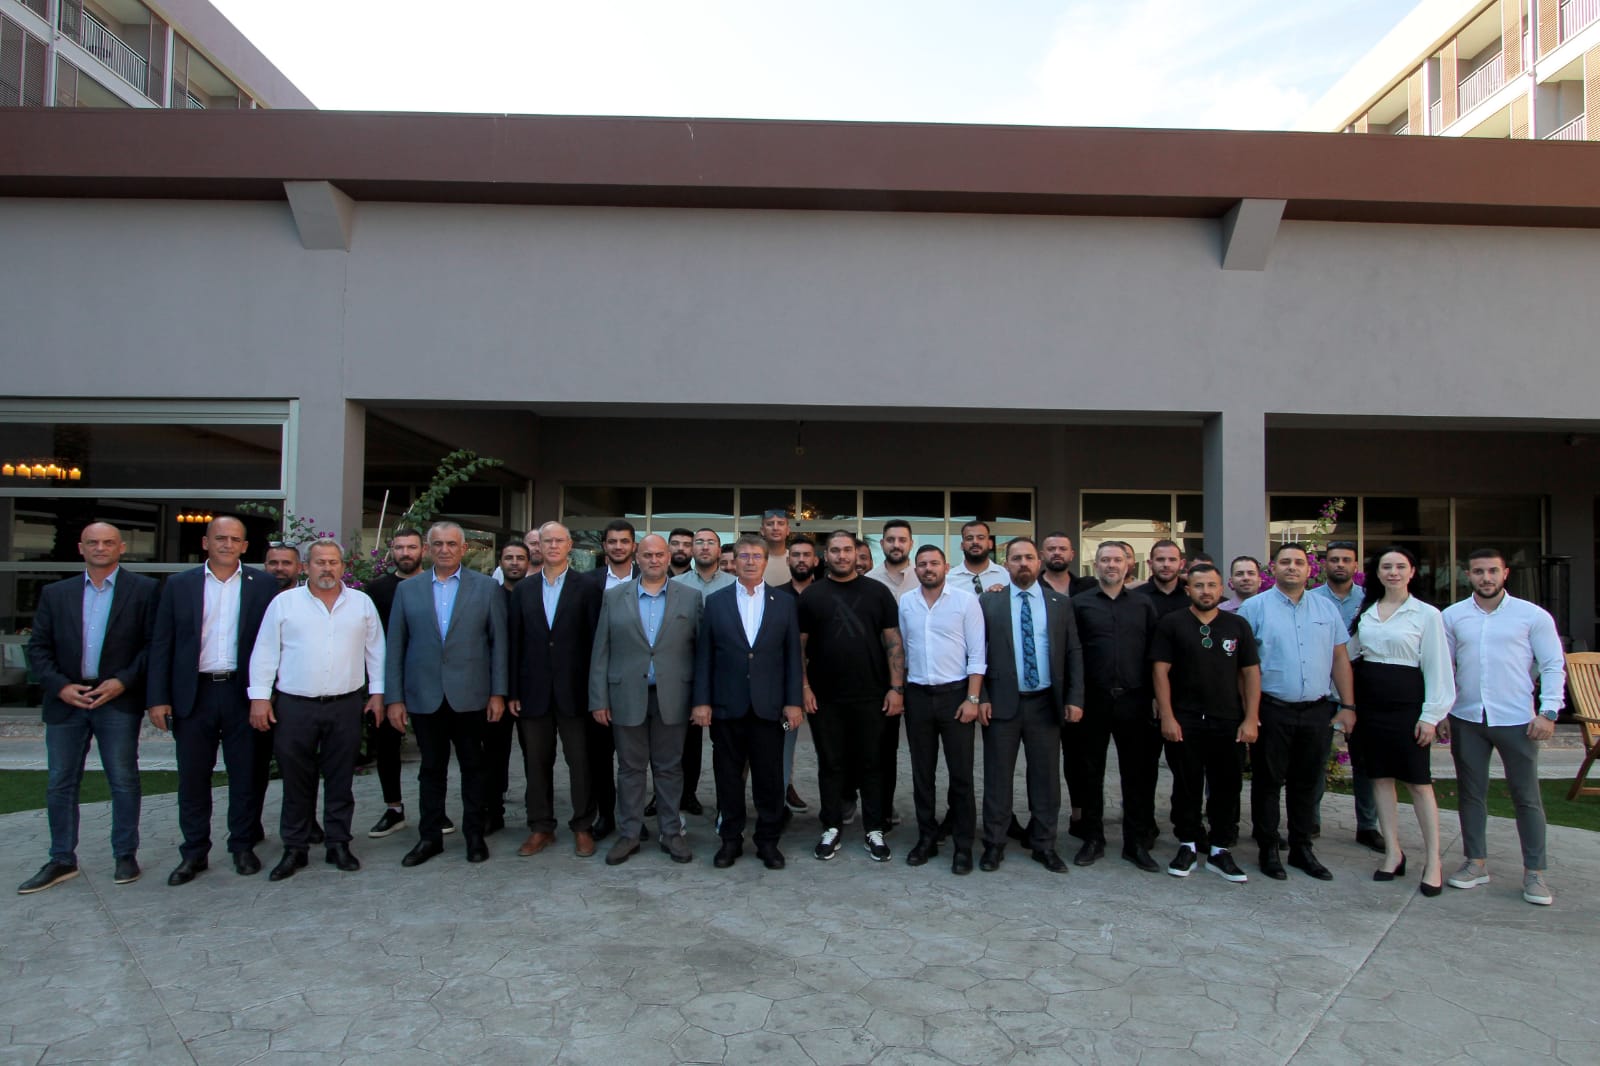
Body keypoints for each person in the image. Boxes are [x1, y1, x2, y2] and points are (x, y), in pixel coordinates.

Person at [19, 522, 158, 894]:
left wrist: (123, 681)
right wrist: (61, 687)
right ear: (81, 548)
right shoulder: (56, 593)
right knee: (60, 782)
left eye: (108, 542)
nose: (100, 548)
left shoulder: (144, 590)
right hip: (68, 700)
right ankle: (61, 858)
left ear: (121, 547)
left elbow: (152, 646)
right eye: (93, 542)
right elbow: (38, 648)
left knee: (123, 779)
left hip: (117, 698)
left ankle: (125, 854)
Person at [147, 515, 279, 885]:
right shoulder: (179, 585)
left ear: (245, 546)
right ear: (206, 542)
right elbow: (162, 643)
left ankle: (242, 845)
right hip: (194, 694)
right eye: (220, 538)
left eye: (234, 539)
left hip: (243, 693)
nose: (227, 544)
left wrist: (267, 695)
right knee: (193, 777)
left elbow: (274, 643)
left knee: (246, 774)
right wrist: (158, 698)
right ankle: (194, 852)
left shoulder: (264, 586)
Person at [248, 540, 386, 881]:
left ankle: (338, 843)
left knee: (341, 779)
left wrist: (378, 693)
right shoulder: (284, 603)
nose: (327, 568)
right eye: (320, 562)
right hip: (295, 706)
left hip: (345, 704)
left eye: (333, 562)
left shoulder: (361, 603)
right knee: (297, 780)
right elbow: (265, 652)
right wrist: (260, 697)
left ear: (343, 567)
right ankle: (295, 847)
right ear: (305, 567)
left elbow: (376, 651)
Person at [1440, 548, 1565, 906]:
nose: (1486, 578)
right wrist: (1442, 711)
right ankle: (1475, 863)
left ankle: (1535, 873)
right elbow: (1444, 667)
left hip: (1517, 720)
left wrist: (1549, 712)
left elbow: (1552, 664)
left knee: (1526, 797)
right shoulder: (1453, 616)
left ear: (1505, 573)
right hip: (1467, 719)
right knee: (1470, 793)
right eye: (1479, 571)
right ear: (1468, 574)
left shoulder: (1532, 616)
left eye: (1493, 571)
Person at [384, 521, 508, 867]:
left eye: (451, 544)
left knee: (474, 768)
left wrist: (498, 693)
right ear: (427, 549)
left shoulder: (486, 588)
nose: (445, 550)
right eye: (437, 544)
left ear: (463, 549)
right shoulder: (408, 590)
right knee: (431, 769)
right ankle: (430, 837)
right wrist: (395, 698)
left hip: (470, 694)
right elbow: (395, 646)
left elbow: (498, 645)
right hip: (425, 695)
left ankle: (474, 835)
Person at [1236, 543, 1355, 881]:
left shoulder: (1326, 608)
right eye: (1285, 562)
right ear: (1272, 568)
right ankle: (1268, 848)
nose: (1292, 567)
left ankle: (1302, 848)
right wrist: (1249, 713)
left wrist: (1348, 705)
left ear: (1309, 569)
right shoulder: (1254, 608)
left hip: (1316, 710)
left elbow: (1340, 658)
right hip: (1271, 709)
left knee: (1307, 782)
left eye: (1298, 562)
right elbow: (1242, 667)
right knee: (1267, 782)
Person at [1346, 546, 1454, 897]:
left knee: (1419, 783)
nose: (1392, 572)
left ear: (1412, 572)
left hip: (1408, 706)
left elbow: (1438, 667)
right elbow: (1349, 653)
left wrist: (1431, 716)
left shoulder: (1426, 614)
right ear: (1377, 573)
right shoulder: (1367, 612)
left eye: (1399, 566)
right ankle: (1393, 852)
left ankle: (1433, 861)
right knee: (1379, 779)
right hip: (1370, 706)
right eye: (1386, 566)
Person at [589, 535, 702, 864]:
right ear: (636, 558)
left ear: (668, 557)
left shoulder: (690, 597)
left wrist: (700, 699)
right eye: (647, 555)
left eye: (659, 554)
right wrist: (598, 699)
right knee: (630, 769)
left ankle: (671, 833)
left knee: (669, 768)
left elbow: (701, 653)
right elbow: (601, 651)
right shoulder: (614, 597)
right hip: (625, 695)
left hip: (674, 696)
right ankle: (629, 834)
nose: (654, 560)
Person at [693, 534, 803, 870]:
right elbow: (705, 656)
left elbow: (792, 657)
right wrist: (702, 702)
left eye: (757, 556)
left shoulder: (784, 603)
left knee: (769, 779)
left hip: (769, 707)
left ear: (766, 561)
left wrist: (793, 701)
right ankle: (730, 839)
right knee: (728, 778)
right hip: (727, 706)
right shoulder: (717, 602)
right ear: (733, 562)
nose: (750, 562)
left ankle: (768, 841)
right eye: (744, 556)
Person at [977, 537, 1083, 874]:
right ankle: (994, 844)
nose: (1023, 563)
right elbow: (977, 652)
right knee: (997, 778)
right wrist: (982, 697)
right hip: (1002, 704)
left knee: (1046, 779)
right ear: (1005, 564)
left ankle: (1044, 844)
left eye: (1028, 557)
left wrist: (1075, 698)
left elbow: (1073, 652)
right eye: (1015, 558)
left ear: (1039, 562)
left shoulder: (1060, 604)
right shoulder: (988, 602)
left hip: (1045, 704)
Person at [1150, 562, 1259, 883]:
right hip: (1185, 720)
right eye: (1199, 586)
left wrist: (1251, 718)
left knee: (1227, 786)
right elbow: (1160, 672)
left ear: (1221, 589)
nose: (1206, 591)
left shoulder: (1237, 625)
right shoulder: (1172, 623)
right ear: (1188, 590)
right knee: (1187, 785)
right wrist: (1168, 716)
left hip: (1228, 720)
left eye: (1211, 585)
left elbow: (1250, 673)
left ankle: (1220, 849)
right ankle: (1187, 844)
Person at [800, 531, 905, 863]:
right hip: (825, 698)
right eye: (835, 550)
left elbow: (894, 642)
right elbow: (799, 648)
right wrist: (805, 687)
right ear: (825, 556)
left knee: (873, 763)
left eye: (847, 550)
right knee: (831, 764)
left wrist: (896, 688)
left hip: (872, 695)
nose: (842, 556)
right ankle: (831, 826)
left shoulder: (878, 593)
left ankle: (874, 829)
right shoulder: (811, 595)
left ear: (856, 554)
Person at [507, 521, 601, 857]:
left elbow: (596, 643)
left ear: (569, 545)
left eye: (559, 540)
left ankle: (583, 826)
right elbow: (514, 642)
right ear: (537, 546)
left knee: (580, 763)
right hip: (533, 692)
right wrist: (513, 691)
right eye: (546, 541)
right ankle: (541, 827)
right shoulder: (524, 589)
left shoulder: (587, 587)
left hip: (575, 692)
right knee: (536, 763)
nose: (552, 546)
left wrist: (596, 693)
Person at [1067, 541, 1162, 870]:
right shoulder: (1079, 604)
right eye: (1105, 560)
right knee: (1089, 772)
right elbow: (1072, 654)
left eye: (1117, 560)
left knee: (1136, 774)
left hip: (1135, 700)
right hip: (1093, 700)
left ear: (1128, 565)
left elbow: (1153, 654)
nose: (1111, 565)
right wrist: (1074, 697)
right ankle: (1093, 838)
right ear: (1096, 565)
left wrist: (1155, 697)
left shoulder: (1143, 604)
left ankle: (1135, 842)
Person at [897, 545, 984, 875]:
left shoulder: (965, 601)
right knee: (922, 774)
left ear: (946, 567)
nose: (928, 568)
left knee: (961, 775)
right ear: (915, 569)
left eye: (934, 563)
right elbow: (903, 650)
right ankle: (927, 838)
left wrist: (972, 698)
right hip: (918, 695)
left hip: (955, 696)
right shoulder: (907, 602)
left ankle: (963, 845)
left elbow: (977, 654)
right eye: (922, 564)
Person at [360, 528, 439, 840]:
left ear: (424, 550)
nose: (406, 553)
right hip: (387, 679)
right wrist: (376, 688)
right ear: (391, 551)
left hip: (428, 680)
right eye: (399, 547)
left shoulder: (436, 585)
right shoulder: (376, 589)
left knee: (432, 749)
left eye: (412, 547)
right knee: (387, 746)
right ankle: (393, 808)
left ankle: (435, 810)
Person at [1308, 540, 1384, 853]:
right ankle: (1309, 820)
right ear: (1324, 564)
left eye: (1346, 560)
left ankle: (1368, 825)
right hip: (1322, 690)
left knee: (1365, 762)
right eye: (1334, 559)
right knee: (1315, 760)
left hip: (1362, 692)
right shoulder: (1310, 600)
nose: (1340, 564)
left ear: (1356, 566)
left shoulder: (1371, 601)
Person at [670, 527, 733, 816]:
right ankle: (683, 794)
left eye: (711, 542)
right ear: (692, 550)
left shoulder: (734, 584)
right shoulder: (675, 584)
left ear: (719, 550)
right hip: (684, 671)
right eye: (699, 542)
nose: (705, 547)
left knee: (725, 742)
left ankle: (727, 805)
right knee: (684, 740)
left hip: (724, 674)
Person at [482, 539, 533, 835]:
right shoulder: (491, 595)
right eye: (509, 557)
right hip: (496, 689)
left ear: (528, 562)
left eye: (520, 558)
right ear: (500, 562)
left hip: (529, 688)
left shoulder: (535, 594)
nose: (514, 563)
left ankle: (535, 808)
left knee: (534, 754)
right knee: (494, 754)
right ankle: (493, 809)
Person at [770, 533, 820, 814]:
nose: (801, 560)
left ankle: (837, 805)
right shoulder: (774, 595)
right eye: (796, 555)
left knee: (830, 748)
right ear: (788, 560)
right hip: (784, 687)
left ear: (816, 560)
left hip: (824, 685)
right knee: (783, 742)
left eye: (806, 555)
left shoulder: (827, 592)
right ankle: (780, 796)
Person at [953, 520, 1010, 595]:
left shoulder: (1006, 576)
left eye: (981, 538)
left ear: (990, 544)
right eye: (969, 538)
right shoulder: (948, 579)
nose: (975, 542)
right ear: (962, 545)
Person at [1137, 539, 1189, 617]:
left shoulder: (1192, 595)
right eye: (1160, 560)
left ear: (1182, 564)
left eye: (1172, 560)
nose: (1166, 564)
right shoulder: (1136, 597)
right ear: (1150, 564)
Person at [1040, 532, 1097, 596]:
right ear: (1042, 555)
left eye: (1063, 549)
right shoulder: (1033, 587)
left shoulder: (1088, 587)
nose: (1057, 553)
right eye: (1051, 549)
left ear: (1072, 555)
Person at [760, 509, 792, 585]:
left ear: (788, 530)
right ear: (762, 530)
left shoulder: (797, 558)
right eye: (769, 524)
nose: (775, 528)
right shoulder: (753, 559)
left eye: (781, 524)